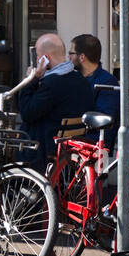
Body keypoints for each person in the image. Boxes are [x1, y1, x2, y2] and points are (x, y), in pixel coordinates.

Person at [18, 33, 95, 171]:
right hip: (71, 150)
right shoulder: (82, 81)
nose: (35, 61)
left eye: (37, 57)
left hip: (44, 152)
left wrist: (31, 79)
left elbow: (26, 112)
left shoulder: (50, 84)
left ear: (45, 58)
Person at [70, 34, 119, 151]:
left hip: (91, 148)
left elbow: (105, 123)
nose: (69, 57)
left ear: (82, 57)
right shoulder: (74, 78)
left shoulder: (107, 82)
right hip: (73, 142)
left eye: (71, 53)